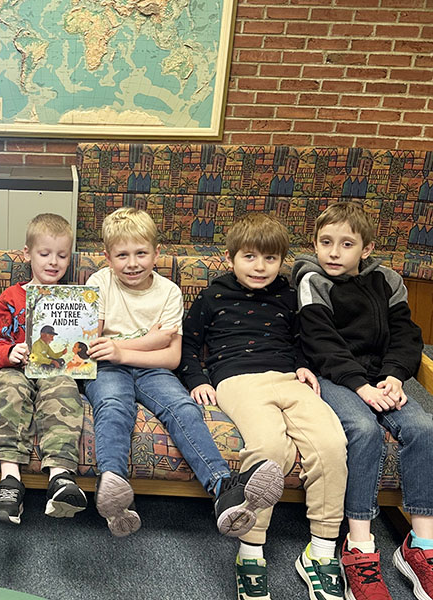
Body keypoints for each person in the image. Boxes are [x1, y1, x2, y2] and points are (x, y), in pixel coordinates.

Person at [84, 207, 284, 538]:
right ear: (107, 257)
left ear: (156, 253)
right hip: (108, 368)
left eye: (141, 253)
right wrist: (151, 340)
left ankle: (223, 489)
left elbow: (172, 356)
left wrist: (123, 348)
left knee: (183, 408)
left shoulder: (169, 292)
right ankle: (113, 491)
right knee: (113, 405)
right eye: (122, 255)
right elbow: (94, 338)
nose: (132, 263)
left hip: (152, 370)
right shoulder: (99, 282)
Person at [180, 213, 348, 600]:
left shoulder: (289, 294)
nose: (260, 267)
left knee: (330, 444)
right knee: (270, 449)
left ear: (281, 262)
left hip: (289, 378)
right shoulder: (213, 296)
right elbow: (188, 345)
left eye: (270, 259)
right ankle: (250, 551)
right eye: (250, 257)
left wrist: (304, 366)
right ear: (230, 258)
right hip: (238, 380)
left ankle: (320, 552)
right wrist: (199, 381)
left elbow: (301, 339)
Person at [292, 201, 433, 600]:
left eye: (346, 244)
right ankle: (359, 546)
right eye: (325, 242)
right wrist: (360, 386)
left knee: (424, 428)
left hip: (381, 376)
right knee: (363, 429)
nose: (333, 252)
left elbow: (407, 335)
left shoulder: (388, 280)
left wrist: (393, 375)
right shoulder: (312, 281)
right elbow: (320, 342)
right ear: (315, 245)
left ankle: (421, 547)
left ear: (366, 249)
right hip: (334, 376)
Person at [0, 213, 87, 525]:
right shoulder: (11, 297)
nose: (53, 262)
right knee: (11, 390)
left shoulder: (74, 299)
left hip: (55, 369)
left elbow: (80, 346)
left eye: (62, 255)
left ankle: (60, 477)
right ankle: (10, 481)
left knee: (64, 389)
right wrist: (10, 353)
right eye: (45, 254)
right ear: (27, 253)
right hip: (18, 368)